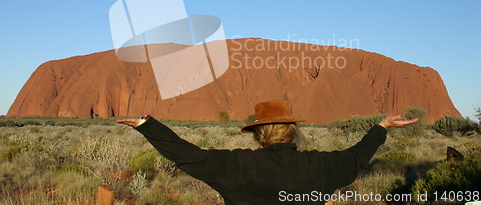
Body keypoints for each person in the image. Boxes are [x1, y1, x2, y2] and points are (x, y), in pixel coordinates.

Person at [118, 100, 418, 204]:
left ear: (258, 134)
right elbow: (356, 157)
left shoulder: (235, 165)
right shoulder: (321, 166)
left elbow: (189, 155)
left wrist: (147, 126)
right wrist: (382, 126)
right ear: (292, 130)